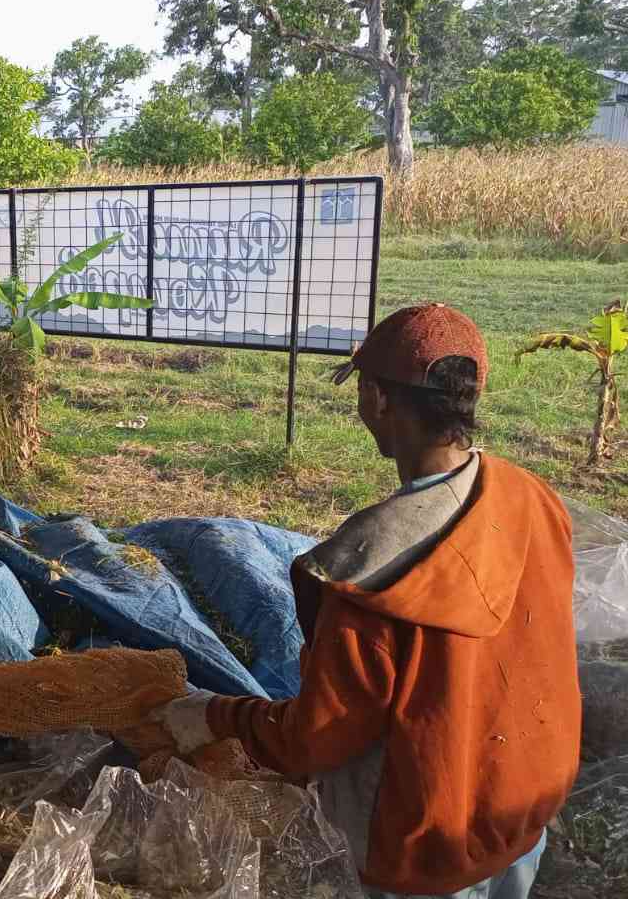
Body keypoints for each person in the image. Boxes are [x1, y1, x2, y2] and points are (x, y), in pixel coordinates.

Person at [150, 303, 580, 899]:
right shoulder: (533, 498)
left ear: (377, 399)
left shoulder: (369, 570)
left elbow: (316, 739)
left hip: (424, 847)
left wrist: (211, 715)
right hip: (522, 804)